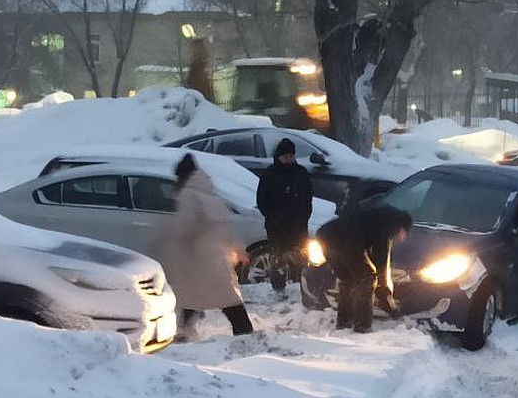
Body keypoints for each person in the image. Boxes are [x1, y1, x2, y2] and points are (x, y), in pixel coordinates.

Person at [164, 153, 254, 338]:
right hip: (216, 255)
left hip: (199, 255)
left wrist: (176, 239)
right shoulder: (210, 195)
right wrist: (237, 248)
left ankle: (243, 329)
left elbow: (186, 225)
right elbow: (225, 228)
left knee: (208, 295)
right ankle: (185, 329)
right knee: (210, 294)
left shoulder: (188, 195)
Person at [315, 205, 412, 333]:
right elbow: (382, 255)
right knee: (367, 277)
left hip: (325, 235)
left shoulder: (380, 215)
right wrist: (383, 288)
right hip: (344, 240)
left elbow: (370, 253)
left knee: (348, 280)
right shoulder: (390, 224)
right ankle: (362, 325)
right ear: (402, 228)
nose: (402, 238)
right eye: (404, 235)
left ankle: (344, 322)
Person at [255, 137, 313, 294]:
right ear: (278, 157)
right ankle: (278, 287)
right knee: (278, 258)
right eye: (285, 157)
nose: (289, 159)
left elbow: (308, 197)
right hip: (277, 226)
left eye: (291, 156)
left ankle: (303, 287)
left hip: (299, 225)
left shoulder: (301, 173)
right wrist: (273, 217)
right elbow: (262, 200)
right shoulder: (270, 175)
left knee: (301, 257)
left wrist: (305, 216)